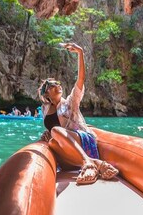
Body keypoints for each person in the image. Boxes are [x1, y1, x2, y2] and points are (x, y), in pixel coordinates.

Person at [38, 42, 118, 185]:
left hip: (83, 141)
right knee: (52, 142)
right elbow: (52, 128)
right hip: (67, 150)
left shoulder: (70, 102)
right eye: (51, 85)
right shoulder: (45, 109)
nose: (57, 85)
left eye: (57, 83)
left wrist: (80, 52)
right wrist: (46, 133)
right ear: (46, 95)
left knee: (56, 131)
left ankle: (88, 163)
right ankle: (97, 164)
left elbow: (80, 79)